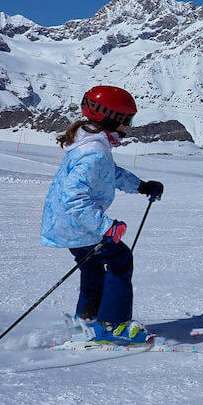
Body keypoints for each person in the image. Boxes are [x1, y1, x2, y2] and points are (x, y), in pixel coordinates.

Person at [40, 86, 164, 344]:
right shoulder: (93, 153)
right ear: (109, 118)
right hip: (77, 223)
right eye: (126, 120)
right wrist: (106, 226)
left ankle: (87, 320)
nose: (127, 128)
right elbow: (74, 198)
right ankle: (112, 326)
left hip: (67, 223)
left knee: (94, 267)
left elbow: (111, 174)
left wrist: (141, 186)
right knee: (120, 258)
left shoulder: (92, 145)